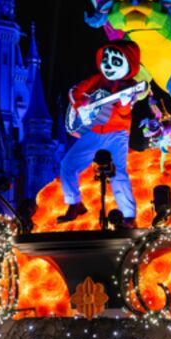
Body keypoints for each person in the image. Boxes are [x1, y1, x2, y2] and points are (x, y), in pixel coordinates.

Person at [58, 39, 149, 227]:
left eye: (115, 62)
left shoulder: (129, 87)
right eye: (106, 60)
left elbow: (125, 113)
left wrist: (124, 102)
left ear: (129, 65)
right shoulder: (98, 80)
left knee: (118, 173)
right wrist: (81, 105)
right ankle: (75, 203)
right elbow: (75, 91)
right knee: (68, 164)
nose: (108, 65)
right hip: (92, 132)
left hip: (117, 133)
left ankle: (129, 216)